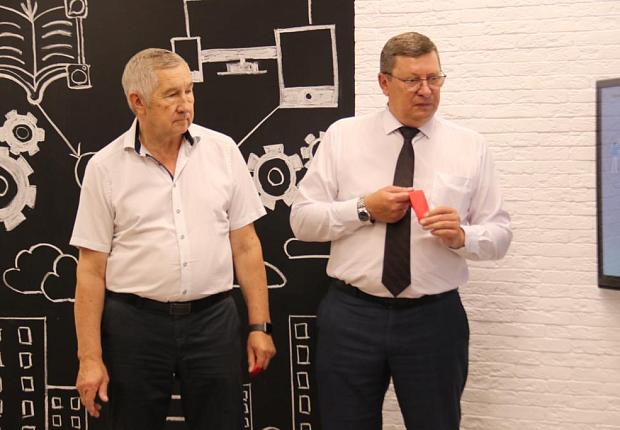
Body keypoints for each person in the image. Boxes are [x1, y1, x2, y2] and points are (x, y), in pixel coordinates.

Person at [290, 32, 512, 430]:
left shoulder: (470, 146)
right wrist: (363, 209)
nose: (426, 90)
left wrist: (463, 237)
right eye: (412, 80)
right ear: (384, 82)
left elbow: (500, 235)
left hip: (434, 319)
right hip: (352, 316)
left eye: (434, 78)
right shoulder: (343, 136)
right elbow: (302, 221)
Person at [71, 48, 276, 429]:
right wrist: (90, 358)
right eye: (171, 94)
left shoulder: (223, 151)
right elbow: (91, 270)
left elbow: (246, 245)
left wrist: (259, 327)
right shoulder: (105, 167)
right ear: (138, 102)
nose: (186, 104)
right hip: (134, 327)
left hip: (214, 322)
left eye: (189, 91)